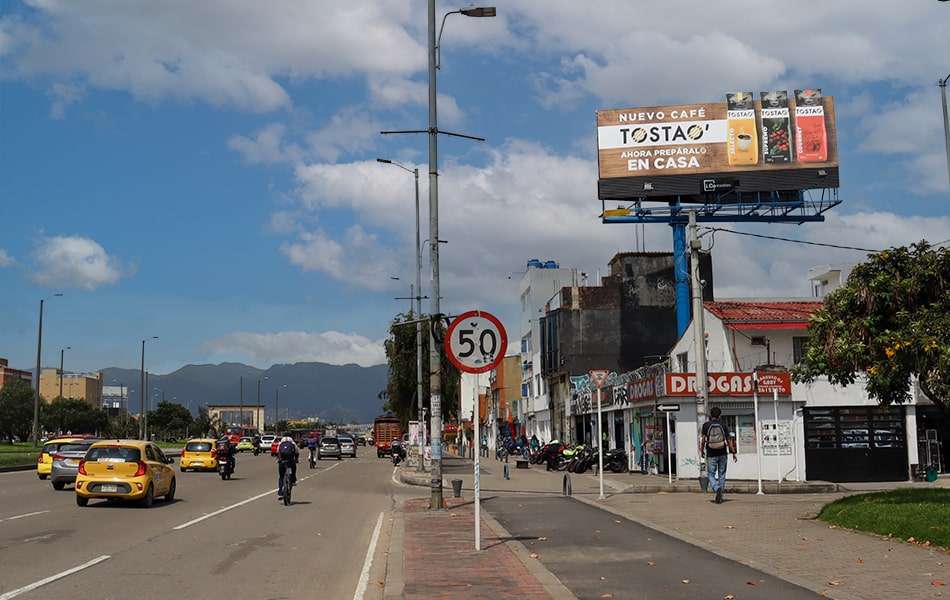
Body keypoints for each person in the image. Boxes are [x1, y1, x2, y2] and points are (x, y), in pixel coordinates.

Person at [700, 407, 737, 504]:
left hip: (711, 453)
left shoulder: (706, 425)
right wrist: (733, 452)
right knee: (722, 475)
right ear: (720, 416)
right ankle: (721, 495)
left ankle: (716, 488)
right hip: (722, 452)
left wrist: (702, 451)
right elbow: (729, 440)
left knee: (711, 474)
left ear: (710, 415)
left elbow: (703, 439)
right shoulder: (723, 425)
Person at [276, 432, 299, 499]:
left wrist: (279, 459)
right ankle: (293, 479)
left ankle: (280, 492)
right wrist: (296, 459)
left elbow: (278, 452)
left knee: (281, 477)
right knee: (294, 467)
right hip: (290, 461)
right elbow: (297, 452)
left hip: (282, 462)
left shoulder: (280, 443)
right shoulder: (293, 443)